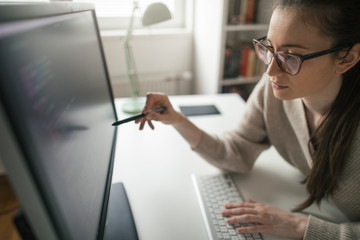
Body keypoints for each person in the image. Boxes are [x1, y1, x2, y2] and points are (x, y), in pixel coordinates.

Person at [135, 0, 360, 239]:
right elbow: (237, 151)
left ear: (346, 58)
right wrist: (178, 120)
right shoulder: (274, 91)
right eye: (269, 49)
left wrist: (298, 226)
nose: (271, 71)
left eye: (292, 57)